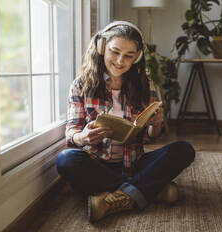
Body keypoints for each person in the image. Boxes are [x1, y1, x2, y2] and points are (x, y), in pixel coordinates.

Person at [56, 21, 195, 222]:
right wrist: (83, 137)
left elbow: (152, 138)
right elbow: (71, 134)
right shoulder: (81, 85)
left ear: (137, 58)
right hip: (97, 165)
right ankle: (149, 188)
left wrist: (155, 125)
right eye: (115, 52)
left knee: (184, 150)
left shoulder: (146, 85)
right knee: (66, 160)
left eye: (129, 56)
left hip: (135, 162)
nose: (121, 61)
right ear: (102, 48)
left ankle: (113, 197)